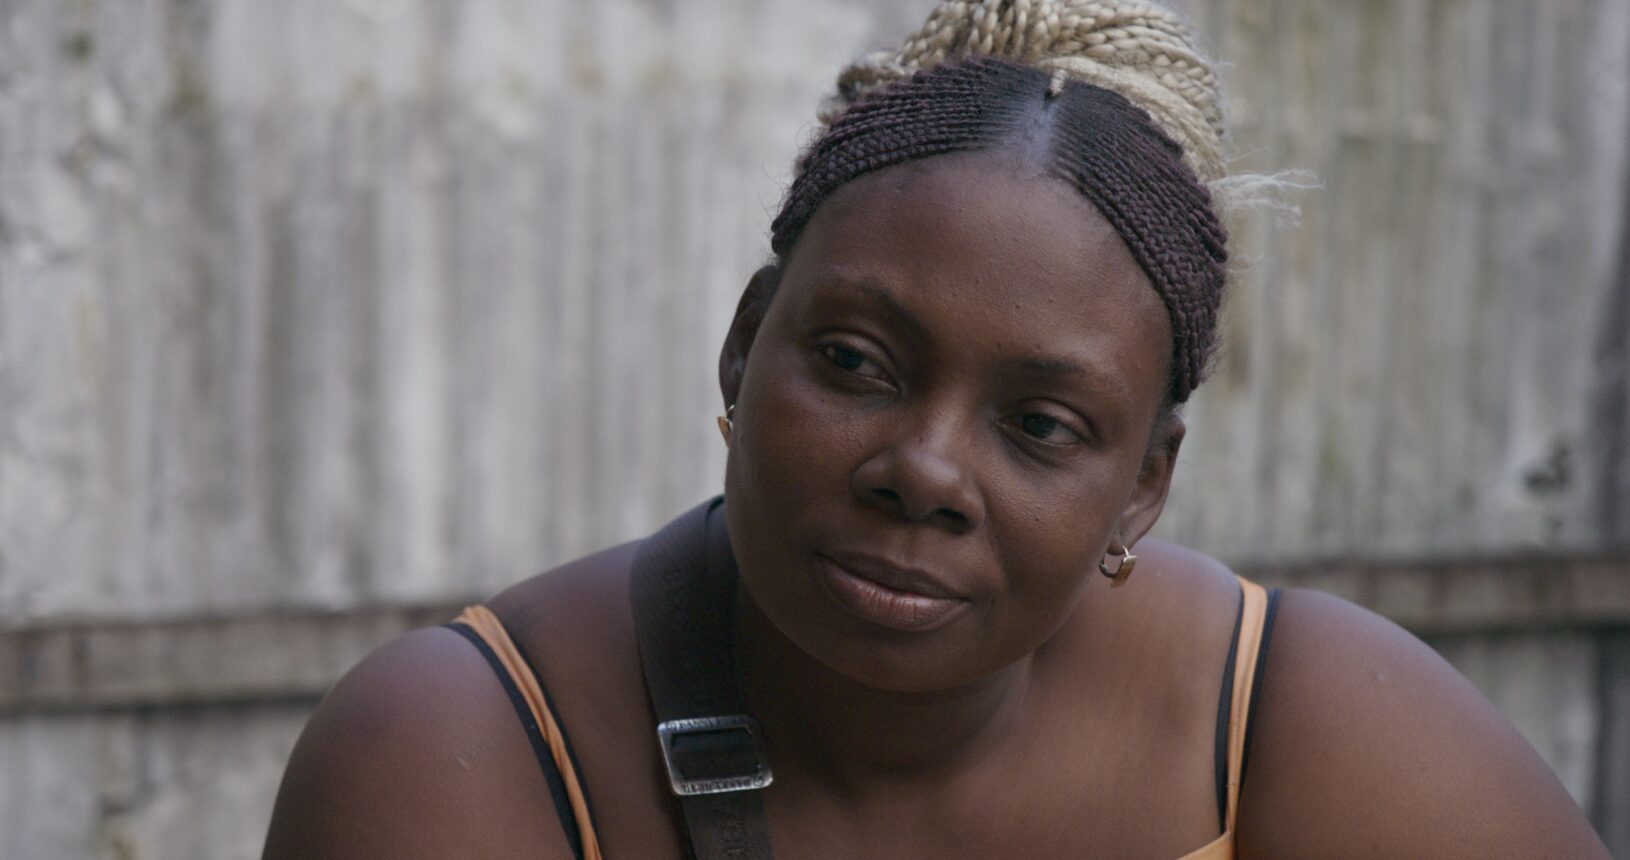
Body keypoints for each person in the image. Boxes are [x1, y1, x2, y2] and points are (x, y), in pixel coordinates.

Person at [263, 1, 1611, 857]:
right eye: (856, 361)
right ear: (745, 343)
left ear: (1143, 487)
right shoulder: (467, 754)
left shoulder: (1296, 727)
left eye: (1041, 424)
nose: (923, 472)